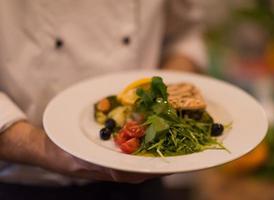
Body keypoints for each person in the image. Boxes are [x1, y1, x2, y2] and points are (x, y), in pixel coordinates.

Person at [0, 1, 207, 199]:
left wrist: (166, 103)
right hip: (26, 184)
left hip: (144, 178)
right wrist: (41, 147)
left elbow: (184, 36)